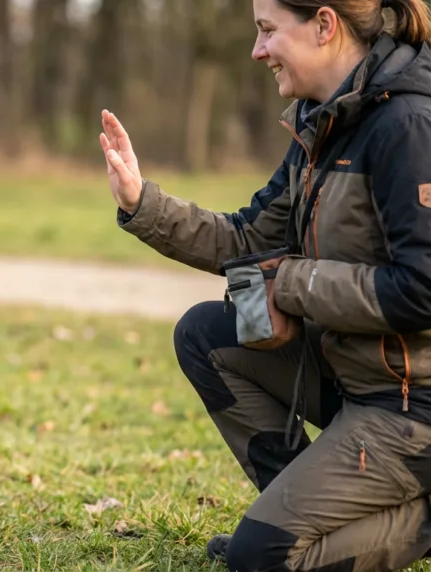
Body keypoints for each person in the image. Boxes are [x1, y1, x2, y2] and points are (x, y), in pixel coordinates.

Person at [100, 0, 431, 570]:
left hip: (412, 405)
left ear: (324, 25)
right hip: (355, 375)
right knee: (206, 334)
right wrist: (141, 202)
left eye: (267, 31)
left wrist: (292, 283)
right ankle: (297, 513)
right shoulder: (322, 121)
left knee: (260, 561)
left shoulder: (407, 126)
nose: (257, 51)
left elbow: (423, 288)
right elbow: (247, 238)